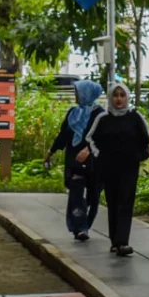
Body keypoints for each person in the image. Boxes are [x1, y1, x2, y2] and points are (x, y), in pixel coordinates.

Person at [83, 82, 149, 256]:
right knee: (112, 202)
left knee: (125, 202)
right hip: (108, 167)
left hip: (129, 167)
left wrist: (139, 156)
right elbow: (90, 138)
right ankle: (115, 241)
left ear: (127, 97)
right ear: (110, 97)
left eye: (122, 95)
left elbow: (145, 138)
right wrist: (98, 155)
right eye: (115, 95)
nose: (119, 99)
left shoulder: (135, 117)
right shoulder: (103, 118)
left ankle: (122, 242)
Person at [46, 80, 105, 241]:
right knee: (77, 194)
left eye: (78, 92)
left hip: (94, 161)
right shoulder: (73, 113)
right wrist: (51, 151)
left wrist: (89, 149)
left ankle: (85, 224)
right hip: (75, 162)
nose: (76, 96)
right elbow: (64, 134)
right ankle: (80, 227)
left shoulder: (100, 114)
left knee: (93, 196)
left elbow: (103, 137)